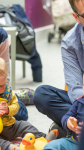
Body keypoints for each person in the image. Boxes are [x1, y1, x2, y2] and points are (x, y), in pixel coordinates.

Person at [0, 57, 59, 150]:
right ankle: (8, 146)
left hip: (9, 126)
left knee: (25, 125)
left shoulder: (7, 93)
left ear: (6, 78)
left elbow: (16, 106)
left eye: (1, 85)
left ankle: (43, 137)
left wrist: (8, 109)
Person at [33, 0, 84, 138]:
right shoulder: (70, 43)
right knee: (41, 94)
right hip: (82, 103)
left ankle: (70, 130)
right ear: (77, 18)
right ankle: (73, 126)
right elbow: (75, 90)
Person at [43, 75, 84, 150]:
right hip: (73, 142)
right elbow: (66, 117)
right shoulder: (79, 102)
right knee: (52, 145)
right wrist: (68, 122)